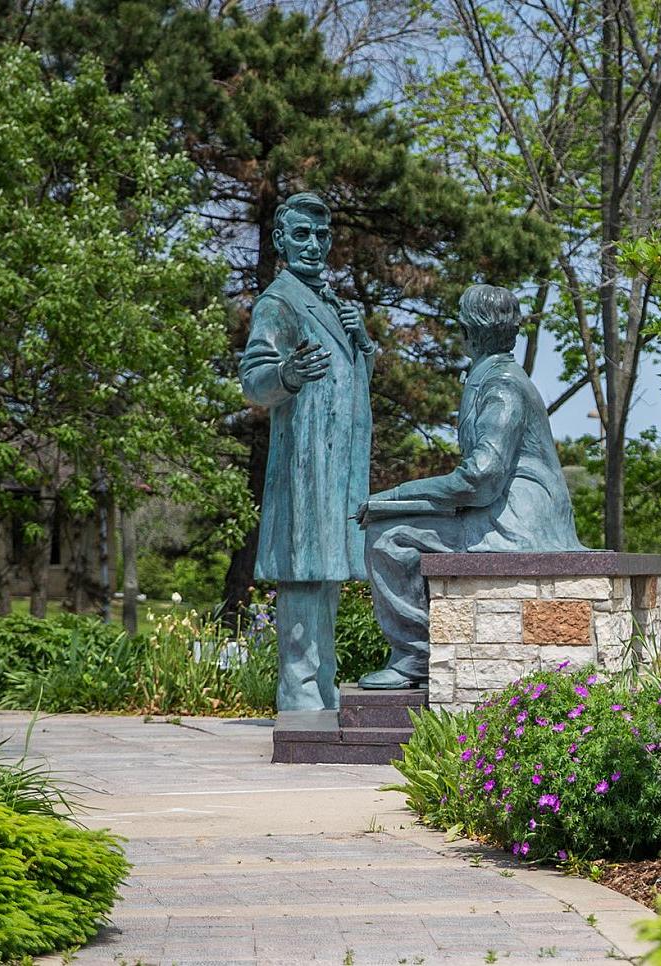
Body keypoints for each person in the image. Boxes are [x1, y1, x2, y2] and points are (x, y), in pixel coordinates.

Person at [356, 284, 586, 689]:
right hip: (503, 515)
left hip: (514, 527)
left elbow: (480, 479)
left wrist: (392, 498)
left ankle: (415, 656)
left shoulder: (502, 385)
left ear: (469, 333)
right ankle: (419, 653)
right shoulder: (496, 378)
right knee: (392, 524)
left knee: (386, 536)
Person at [239, 192, 375, 711]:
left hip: (337, 467)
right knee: (303, 575)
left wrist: (363, 346)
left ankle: (322, 689)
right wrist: (287, 375)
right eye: (302, 235)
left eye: (321, 235)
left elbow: (349, 383)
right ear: (280, 241)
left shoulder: (332, 303)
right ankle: (299, 696)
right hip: (304, 467)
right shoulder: (279, 302)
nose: (314, 245)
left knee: (327, 579)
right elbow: (254, 381)